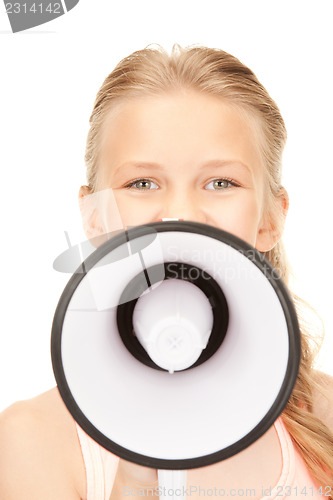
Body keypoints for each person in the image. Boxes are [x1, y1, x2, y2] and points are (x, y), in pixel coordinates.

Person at [0, 44, 332, 500]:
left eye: (221, 183)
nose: (179, 214)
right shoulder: (32, 443)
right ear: (94, 216)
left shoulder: (326, 418)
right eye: (141, 183)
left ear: (270, 219)